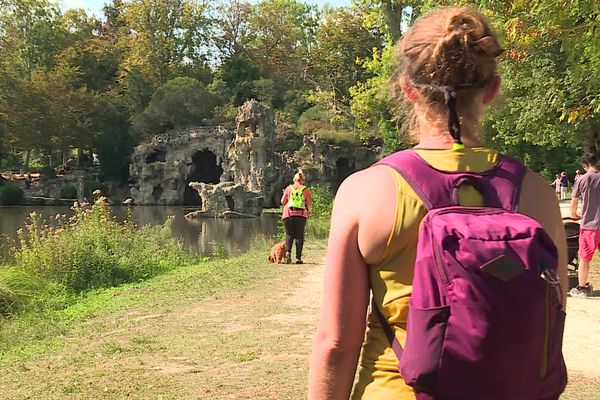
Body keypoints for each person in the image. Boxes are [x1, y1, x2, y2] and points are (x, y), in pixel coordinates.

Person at [308, 7, 567, 400]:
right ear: (492, 90)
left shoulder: (367, 190)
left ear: (408, 90)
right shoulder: (537, 194)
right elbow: (548, 321)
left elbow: (336, 343)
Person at [569, 153, 600, 297]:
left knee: (585, 258)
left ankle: (582, 288)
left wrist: (574, 215)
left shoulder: (581, 179)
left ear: (584, 165)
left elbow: (573, 204)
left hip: (589, 225)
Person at [280, 169, 312, 264]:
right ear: (302, 180)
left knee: (289, 235)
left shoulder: (288, 188)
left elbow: (282, 201)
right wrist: (307, 207)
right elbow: (309, 204)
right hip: (301, 215)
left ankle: (288, 254)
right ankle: (298, 258)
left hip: (288, 214)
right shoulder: (306, 189)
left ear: (294, 179)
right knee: (299, 236)